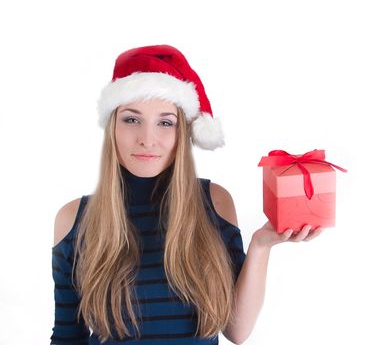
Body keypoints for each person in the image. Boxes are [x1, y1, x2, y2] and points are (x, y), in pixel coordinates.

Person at [50, 45, 323, 345]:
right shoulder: (73, 220)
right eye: (131, 119)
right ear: (112, 126)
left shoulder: (214, 202)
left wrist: (261, 245)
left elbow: (237, 330)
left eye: (165, 122)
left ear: (183, 133)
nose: (147, 139)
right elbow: (67, 337)